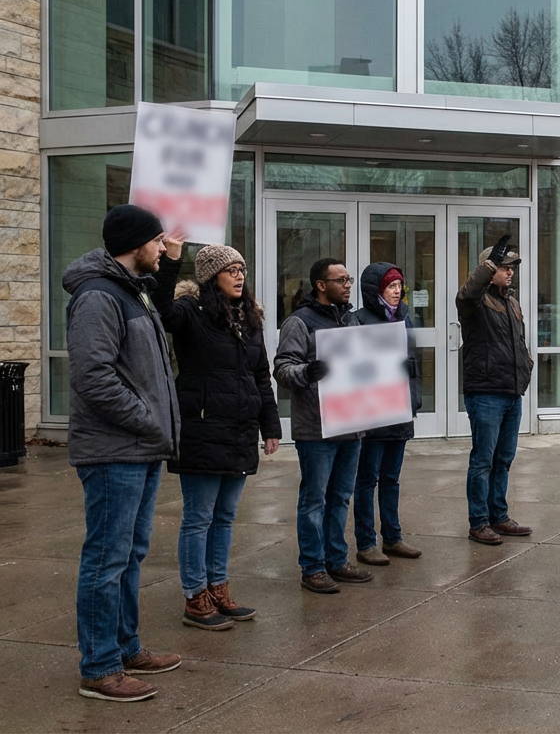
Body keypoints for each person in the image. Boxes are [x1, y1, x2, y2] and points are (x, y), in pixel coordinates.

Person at [63, 204, 182, 702]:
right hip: (115, 449)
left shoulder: (135, 292)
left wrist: (152, 428)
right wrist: (146, 419)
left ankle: (127, 647)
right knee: (106, 560)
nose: (163, 248)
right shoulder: (98, 296)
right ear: (136, 245)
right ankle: (99, 666)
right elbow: (93, 376)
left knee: (129, 555)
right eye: (157, 241)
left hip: (139, 447)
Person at [154, 239, 282, 630]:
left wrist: (270, 426)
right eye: (231, 270)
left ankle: (218, 587)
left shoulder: (249, 318)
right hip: (203, 429)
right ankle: (195, 597)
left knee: (225, 517)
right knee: (199, 518)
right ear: (211, 277)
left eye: (242, 269)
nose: (240, 276)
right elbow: (159, 312)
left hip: (239, 431)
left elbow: (260, 375)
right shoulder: (190, 313)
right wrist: (172, 260)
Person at [274, 258, 371, 593]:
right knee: (314, 499)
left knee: (341, 496)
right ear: (320, 285)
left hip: (352, 423)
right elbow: (283, 369)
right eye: (341, 279)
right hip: (317, 427)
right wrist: (308, 372)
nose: (347, 284)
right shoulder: (299, 322)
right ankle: (313, 567)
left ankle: (337, 559)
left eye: (349, 279)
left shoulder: (353, 320)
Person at [457, 235, 534, 545]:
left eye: (512, 267)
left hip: (511, 392)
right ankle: (479, 522)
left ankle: (498, 516)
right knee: (483, 461)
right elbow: (466, 296)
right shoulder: (476, 302)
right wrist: (488, 266)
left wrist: (526, 364)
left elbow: (517, 342)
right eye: (504, 266)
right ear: (489, 270)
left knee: (504, 459)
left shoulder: (511, 302)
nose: (510, 271)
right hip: (485, 392)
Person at [352, 262, 424, 566]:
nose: (397, 292)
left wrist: (413, 392)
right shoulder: (358, 319)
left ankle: (393, 537)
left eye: (399, 286)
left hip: (400, 408)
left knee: (392, 478)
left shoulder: (406, 318)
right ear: (376, 290)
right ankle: (367, 543)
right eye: (391, 286)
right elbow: (354, 364)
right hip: (372, 409)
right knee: (367, 478)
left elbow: (413, 358)